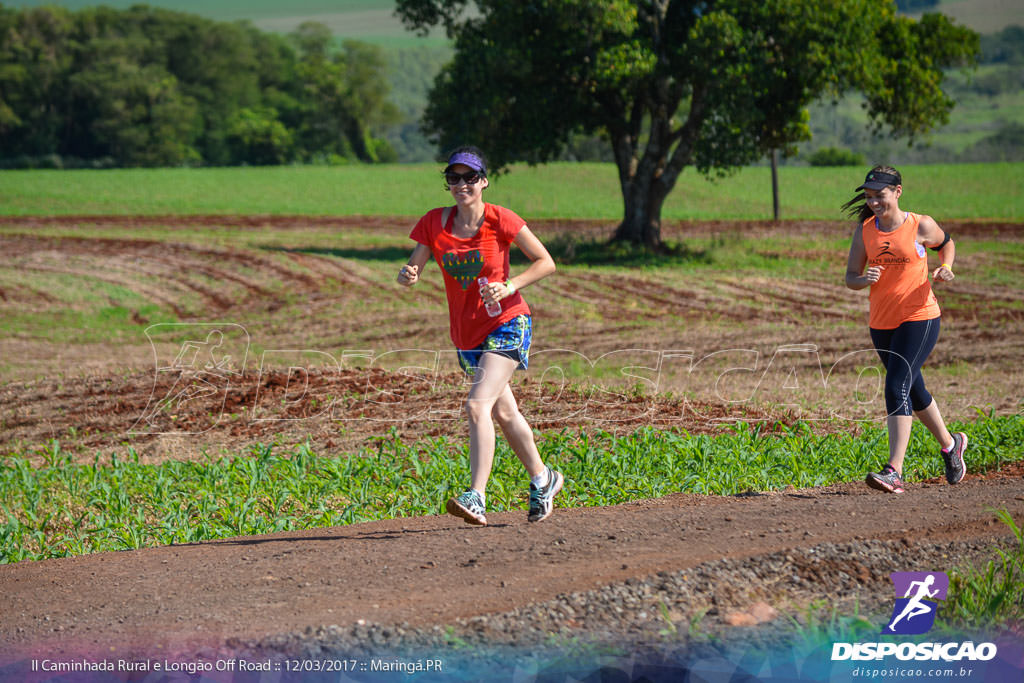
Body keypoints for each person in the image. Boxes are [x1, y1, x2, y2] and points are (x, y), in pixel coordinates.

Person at [397, 146, 562, 525]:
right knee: (504, 412)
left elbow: (546, 261)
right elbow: (412, 268)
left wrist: (510, 285)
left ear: (483, 181)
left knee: (476, 406)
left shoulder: (500, 219)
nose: (461, 184)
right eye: (453, 178)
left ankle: (477, 495)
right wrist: (408, 275)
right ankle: (543, 478)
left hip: (507, 322)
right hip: (467, 334)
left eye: (469, 177)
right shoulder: (434, 223)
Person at [843, 165, 968, 494]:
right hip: (881, 322)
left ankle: (894, 471)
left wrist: (946, 267)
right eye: (869, 197)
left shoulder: (919, 224)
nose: (873, 202)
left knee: (896, 383)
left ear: (897, 192)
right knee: (913, 390)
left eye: (879, 195)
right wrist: (863, 280)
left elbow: (948, 243)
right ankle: (951, 444)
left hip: (920, 315)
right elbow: (850, 277)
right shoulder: (865, 230)